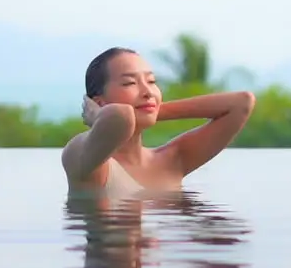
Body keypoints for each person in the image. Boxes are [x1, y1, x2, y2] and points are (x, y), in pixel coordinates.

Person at [61, 47, 256, 194]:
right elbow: (120, 118)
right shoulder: (81, 155)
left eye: (152, 81)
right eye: (130, 83)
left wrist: (151, 111)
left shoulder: (172, 160)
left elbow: (241, 103)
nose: (147, 92)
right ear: (99, 102)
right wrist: (98, 115)